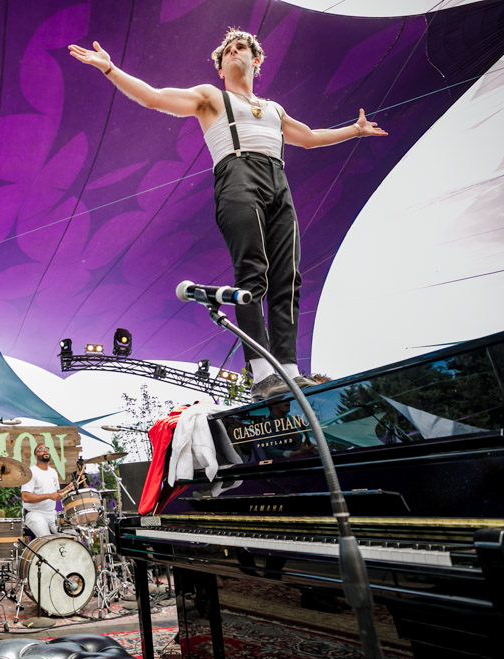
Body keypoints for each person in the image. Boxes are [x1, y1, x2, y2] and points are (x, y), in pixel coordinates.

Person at [69, 29, 387, 401]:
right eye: (227, 52)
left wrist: (355, 130)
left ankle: (289, 371)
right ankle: (262, 374)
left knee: (288, 277)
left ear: (256, 60)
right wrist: (110, 69)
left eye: (241, 48)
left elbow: (310, 138)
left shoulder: (274, 109)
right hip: (237, 177)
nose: (234, 52)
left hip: (277, 181)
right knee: (253, 273)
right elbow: (154, 98)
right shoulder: (210, 97)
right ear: (221, 69)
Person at [21, 444, 67, 537]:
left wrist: (68, 488)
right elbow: (25, 497)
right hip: (35, 513)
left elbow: (56, 493)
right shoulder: (31, 472)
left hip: (52, 514)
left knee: (69, 536)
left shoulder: (53, 472)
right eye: (40, 449)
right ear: (35, 456)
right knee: (46, 539)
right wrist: (49, 496)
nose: (45, 450)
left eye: (46, 448)